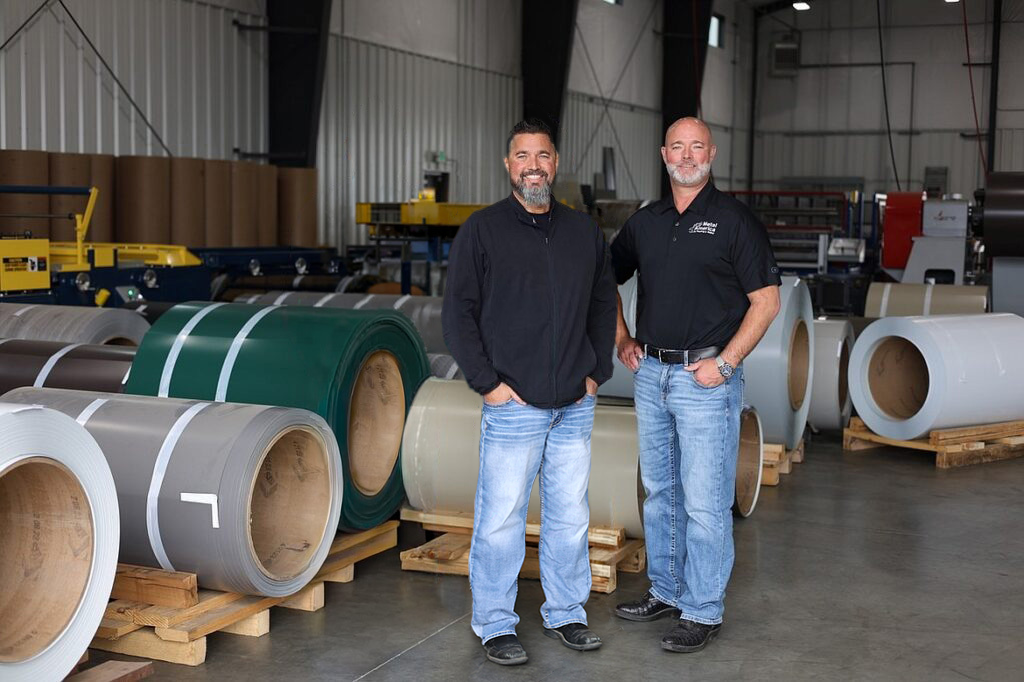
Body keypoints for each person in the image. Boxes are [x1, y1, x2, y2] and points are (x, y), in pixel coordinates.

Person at [442, 118, 617, 666]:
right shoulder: (482, 230)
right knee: (501, 519)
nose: (533, 166)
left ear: (555, 163)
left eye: (542, 156)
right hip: (513, 405)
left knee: (569, 517)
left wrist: (597, 372)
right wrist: (488, 385)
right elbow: (458, 313)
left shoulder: (583, 232)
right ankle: (495, 623)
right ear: (508, 164)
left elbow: (603, 302)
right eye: (522, 156)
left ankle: (566, 613)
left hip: (574, 405)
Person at [610, 117, 781, 653]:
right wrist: (622, 339)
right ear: (664, 155)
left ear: (712, 153)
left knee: (705, 502)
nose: (687, 156)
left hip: (705, 380)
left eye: (696, 147)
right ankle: (666, 589)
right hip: (651, 375)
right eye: (677, 147)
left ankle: (702, 609)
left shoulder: (734, 221)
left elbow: (767, 301)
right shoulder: (646, 222)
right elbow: (602, 279)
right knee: (661, 493)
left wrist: (725, 365)